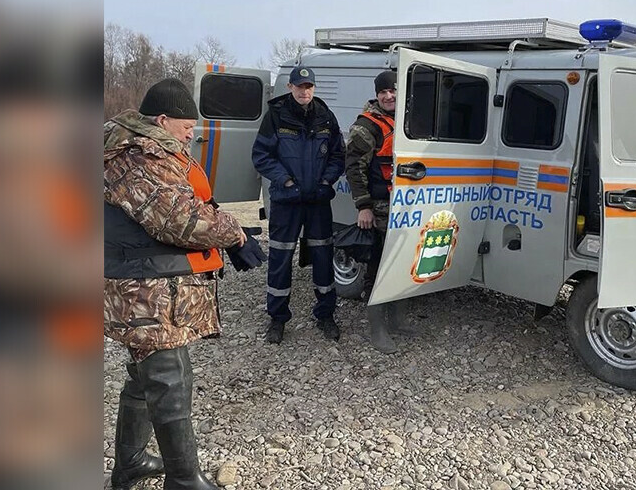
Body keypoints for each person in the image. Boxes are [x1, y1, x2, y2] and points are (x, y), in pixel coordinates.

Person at [104, 78, 246, 490]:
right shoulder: (137, 155)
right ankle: (184, 480)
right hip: (143, 289)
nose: (190, 136)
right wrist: (233, 232)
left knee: (145, 374)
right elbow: (180, 218)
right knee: (169, 377)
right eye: (185, 128)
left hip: (146, 281)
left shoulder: (132, 148)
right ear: (162, 120)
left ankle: (130, 463)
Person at [252, 66, 345, 344]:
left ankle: (326, 315)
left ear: (314, 88)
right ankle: (277, 318)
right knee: (280, 260)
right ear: (290, 88)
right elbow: (261, 155)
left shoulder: (326, 118)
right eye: (299, 86)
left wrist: (326, 182)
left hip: (317, 201)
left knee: (322, 259)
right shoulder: (277, 116)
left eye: (309, 86)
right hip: (287, 201)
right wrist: (286, 182)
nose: (304, 91)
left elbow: (338, 156)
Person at [345, 70, 416, 354]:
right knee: (378, 266)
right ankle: (378, 329)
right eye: (383, 92)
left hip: (407, 207)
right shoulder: (366, 126)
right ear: (377, 95)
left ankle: (398, 320)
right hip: (379, 207)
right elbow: (354, 167)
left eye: (393, 91)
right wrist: (363, 206)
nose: (388, 96)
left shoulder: (409, 121)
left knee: (403, 265)